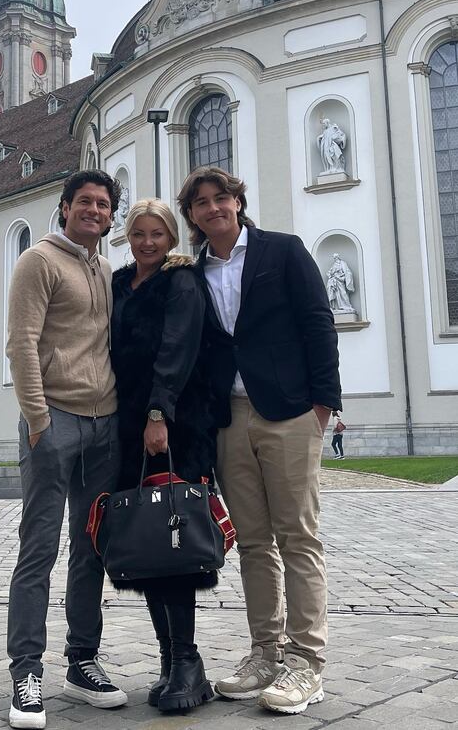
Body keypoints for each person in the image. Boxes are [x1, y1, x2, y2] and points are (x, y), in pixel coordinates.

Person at [178, 166, 341, 716]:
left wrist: (324, 404)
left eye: (219, 198)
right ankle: (265, 653)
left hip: (289, 409)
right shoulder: (195, 272)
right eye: (200, 203)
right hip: (230, 416)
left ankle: (306, 661)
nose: (212, 208)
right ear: (193, 216)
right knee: (252, 542)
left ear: (237, 202)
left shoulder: (282, 251)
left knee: (297, 535)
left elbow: (319, 322)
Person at [5, 170, 128, 729]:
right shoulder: (40, 262)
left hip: (104, 424)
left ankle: (82, 663)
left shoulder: (103, 268)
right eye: (85, 202)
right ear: (64, 207)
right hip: (54, 421)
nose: (94, 210)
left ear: (110, 215)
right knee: (39, 551)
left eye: (103, 204)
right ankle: (26, 673)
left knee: (91, 549)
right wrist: (37, 421)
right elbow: (22, 343)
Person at [109, 199, 216, 713]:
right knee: (151, 543)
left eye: (157, 233)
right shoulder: (120, 281)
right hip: (131, 425)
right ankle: (170, 660)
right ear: (127, 237)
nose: (147, 242)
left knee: (173, 537)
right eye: (138, 233)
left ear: (171, 237)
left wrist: (158, 413)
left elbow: (178, 348)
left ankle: (189, 662)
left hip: (171, 424)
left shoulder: (182, 282)